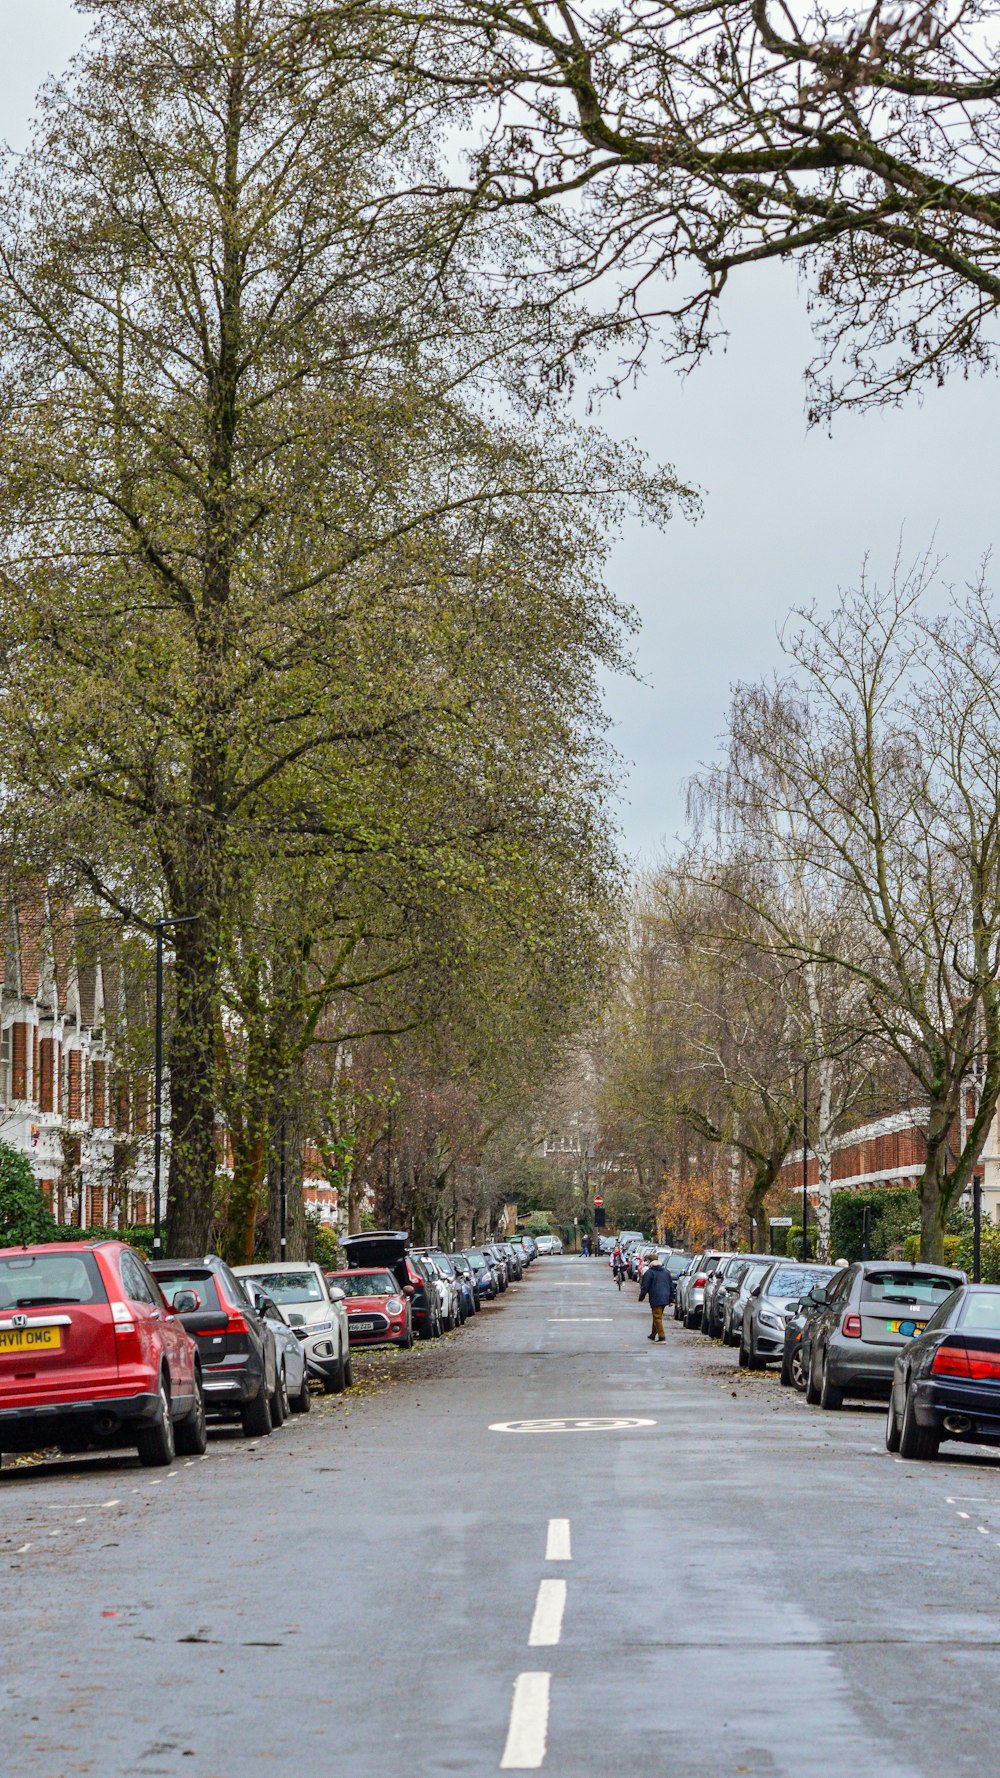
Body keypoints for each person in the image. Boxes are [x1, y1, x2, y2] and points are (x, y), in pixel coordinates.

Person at [638, 1252, 674, 1342]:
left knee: (657, 1317)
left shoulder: (650, 1272)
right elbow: (671, 1286)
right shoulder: (666, 1271)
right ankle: (653, 1334)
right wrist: (671, 1299)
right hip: (665, 1297)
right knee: (657, 1315)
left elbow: (645, 1286)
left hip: (656, 1297)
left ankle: (662, 1337)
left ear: (650, 1261)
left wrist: (641, 1297)